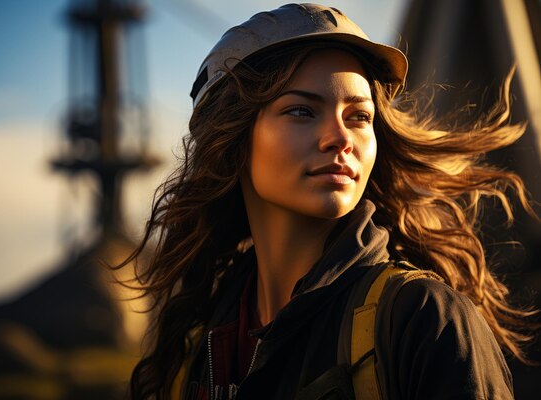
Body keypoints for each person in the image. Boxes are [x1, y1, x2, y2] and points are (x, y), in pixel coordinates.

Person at [120, 3, 538, 399]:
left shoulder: (423, 320)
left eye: (359, 117)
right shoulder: (202, 343)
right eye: (302, 111)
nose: (340, 139)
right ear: (233, 140)